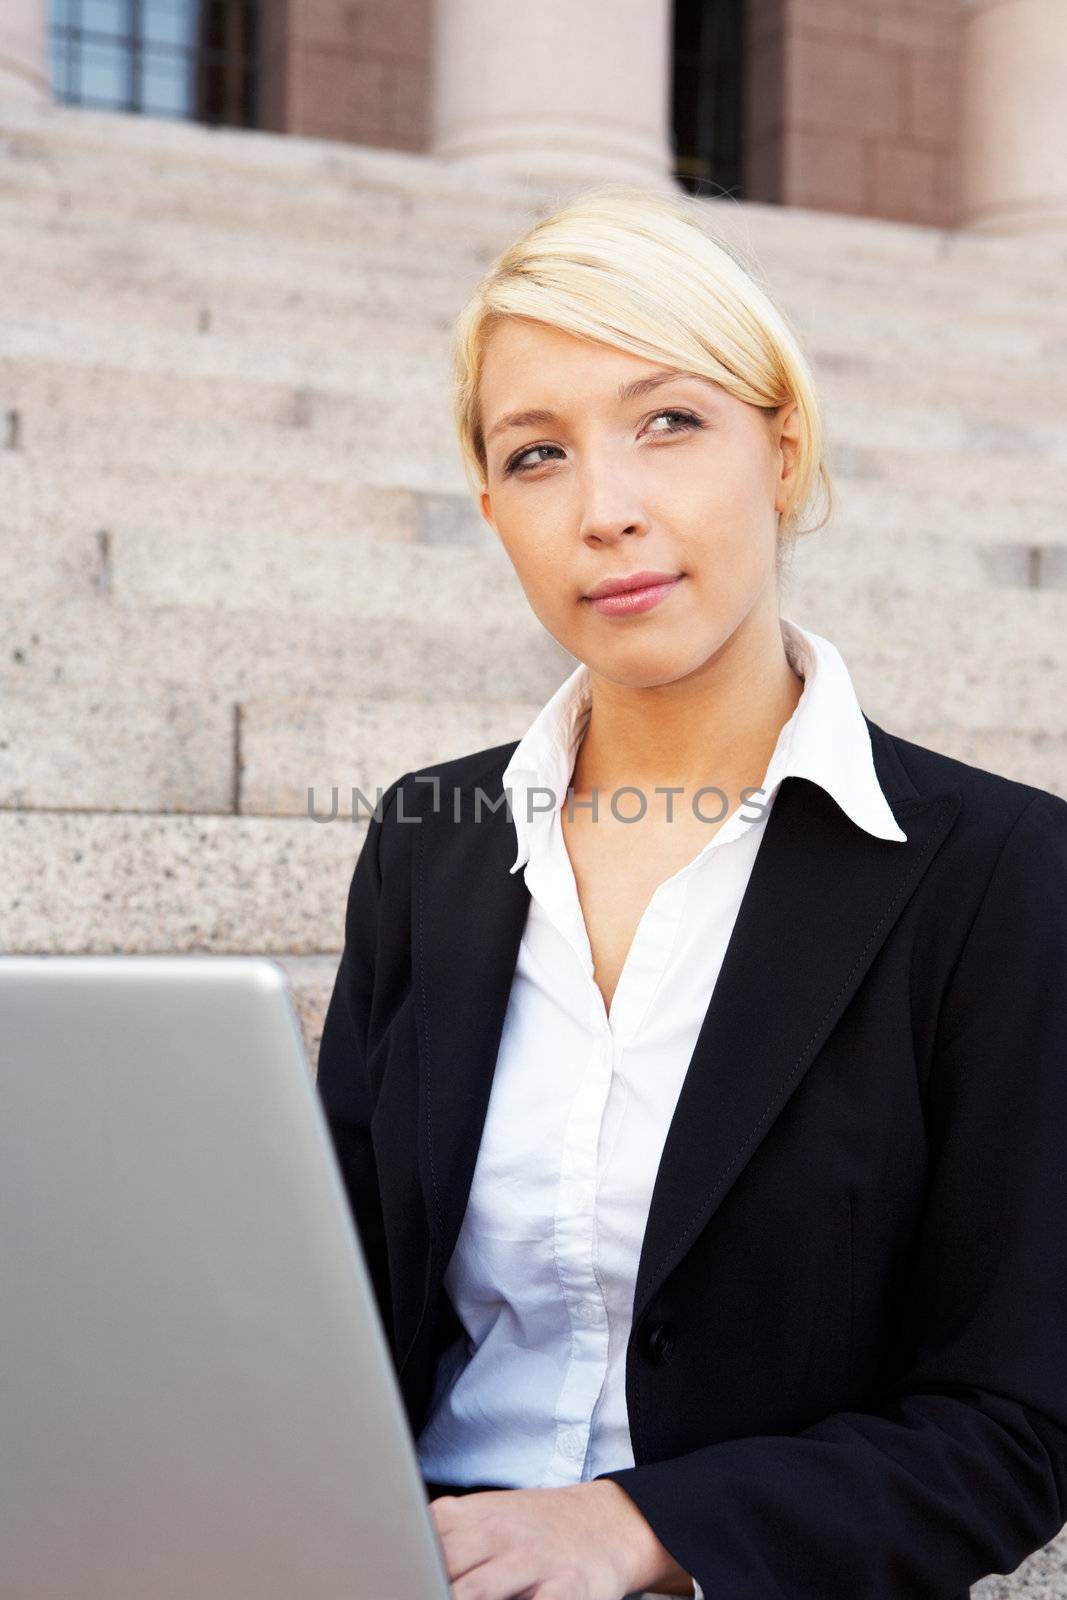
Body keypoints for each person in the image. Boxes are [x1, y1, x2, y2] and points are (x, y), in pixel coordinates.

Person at [316, 185, 1067, 1600]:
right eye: (537, 455)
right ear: (492, 506)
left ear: (781, 449)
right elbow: (325, 1299)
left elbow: (1016, 1425)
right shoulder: (431, 842)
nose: (608, 511)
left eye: (669, 422)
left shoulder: (1001, 875)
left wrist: (638, 1529)